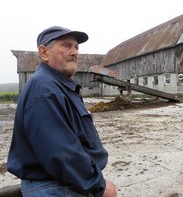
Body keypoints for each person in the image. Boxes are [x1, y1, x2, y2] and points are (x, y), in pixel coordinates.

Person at [7, 26, 117, 197]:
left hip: (64, 185)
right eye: (66, 46)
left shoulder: (59, 86)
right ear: (44, 53)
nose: (74, 52)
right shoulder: (44, 88)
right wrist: (97, 185)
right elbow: (60, 152)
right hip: (54, 188)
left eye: (76, 47)